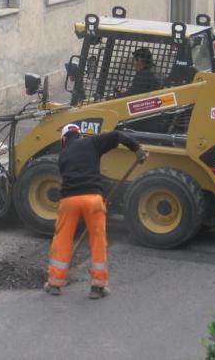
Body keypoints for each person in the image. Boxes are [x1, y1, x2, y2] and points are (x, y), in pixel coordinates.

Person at [44, 124, 148, 299]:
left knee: (62, 239)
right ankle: (97, 287)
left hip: (69, 200)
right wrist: (137, 149)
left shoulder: (63, 155)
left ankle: (54, 283)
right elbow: (117, 136)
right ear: (80, 134)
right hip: (92, 199)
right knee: (97, 240)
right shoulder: (92, 142)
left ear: (64, 140)